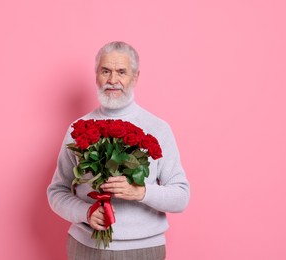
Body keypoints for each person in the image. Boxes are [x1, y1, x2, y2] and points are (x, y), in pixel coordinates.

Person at [47, 41, 190, 260]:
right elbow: (57, 191)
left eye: (121, 72)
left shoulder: (158, 128)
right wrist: (85, 213)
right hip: (86, 248)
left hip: (143, 250)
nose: (113, 80)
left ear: (135, 76)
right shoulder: (78, 129)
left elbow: (181, 196)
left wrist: (141, 192)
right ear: (96, 75)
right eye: (106, 71)